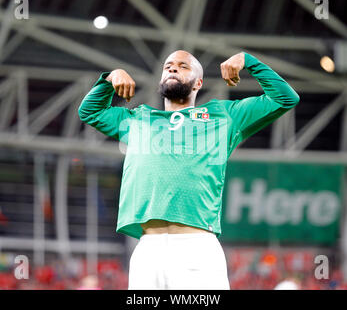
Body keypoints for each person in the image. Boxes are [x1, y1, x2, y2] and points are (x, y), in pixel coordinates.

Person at [78, 50, 300, 290]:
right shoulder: (138, 119)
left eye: (183, 66)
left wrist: (249, 61)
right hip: (147, 251)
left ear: (199, 82)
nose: (173, 68)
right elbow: (89, 111)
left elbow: (284, 98)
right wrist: (110, 78)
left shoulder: (224, 116)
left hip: (196, 248)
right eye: (168, 65)